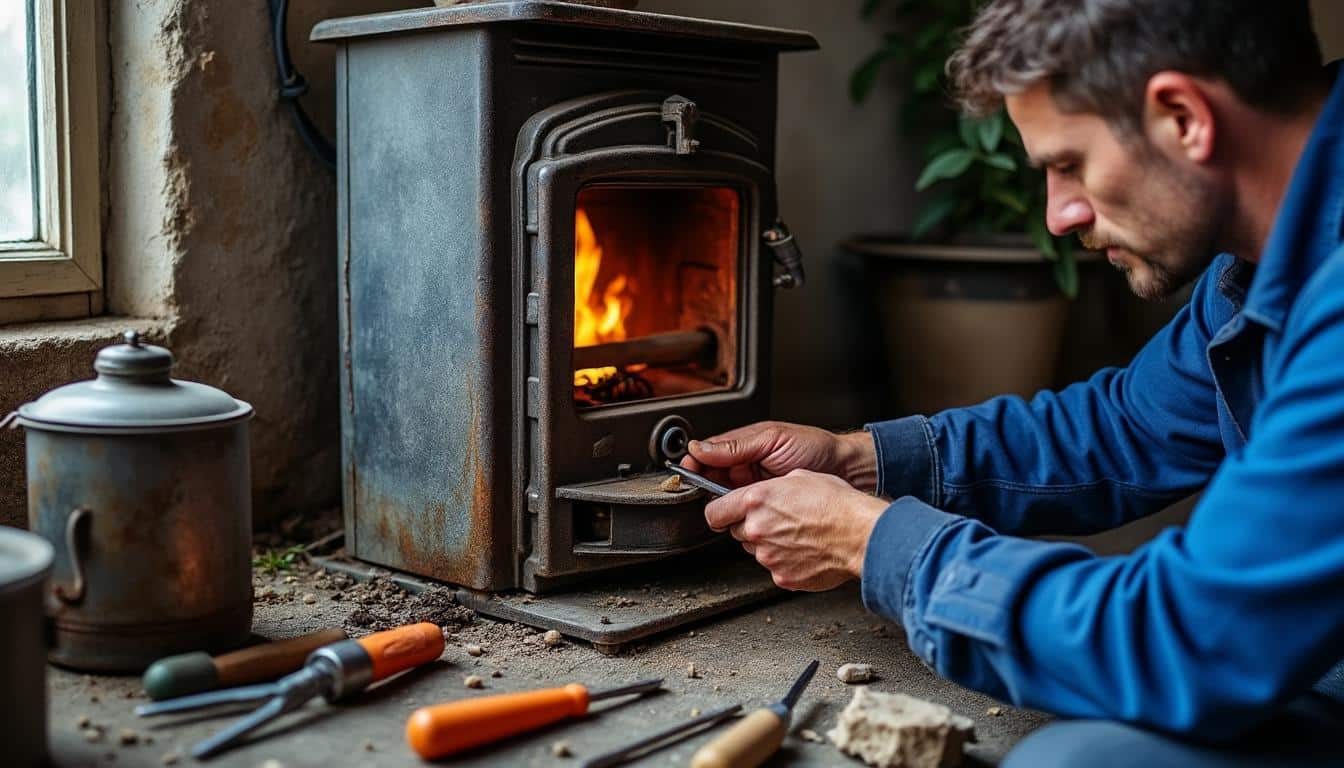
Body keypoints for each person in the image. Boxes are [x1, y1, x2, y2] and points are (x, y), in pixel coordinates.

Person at [681, 1, 1344, 765]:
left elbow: (1187, 639)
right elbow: (1128, 427)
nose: (1059, 215)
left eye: (1069, 164)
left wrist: (868, 541)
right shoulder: (1260, 253)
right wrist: (860, 459)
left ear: (1183, 117)